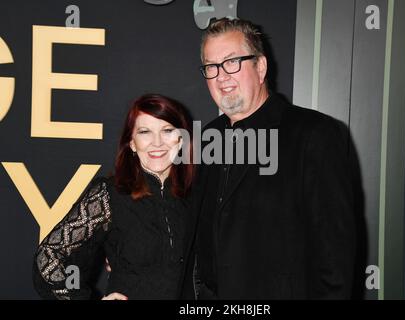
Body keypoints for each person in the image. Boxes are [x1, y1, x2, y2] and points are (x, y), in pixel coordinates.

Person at [181, 18, 356, 299]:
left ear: (260, 67)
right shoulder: (207, 138)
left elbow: (334, 255)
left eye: (232, 62)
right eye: (211, 67)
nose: (221, 76)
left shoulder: (314, 134)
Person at [33, 94, 194, 300]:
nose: (157, 142)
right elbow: (48, 256)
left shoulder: (197, 194)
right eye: (145, 132)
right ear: (132, 143)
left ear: (181, 140)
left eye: (167, 131)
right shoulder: (109, 194)